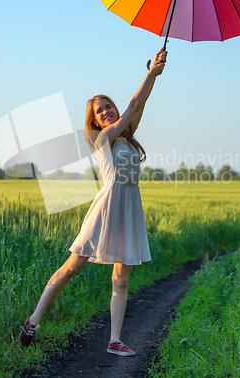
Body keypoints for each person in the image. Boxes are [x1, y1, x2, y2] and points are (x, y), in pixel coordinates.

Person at [19, 48, 167, 356]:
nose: (106, 111)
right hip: (106, 208)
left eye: (108, 106)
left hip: (129, 207)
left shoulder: (126, 137)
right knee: (72, 267)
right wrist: (150, 72)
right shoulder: (103, 140)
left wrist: (154, 77)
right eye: (100, 111)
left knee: (121, 278)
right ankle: (33, 320)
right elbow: (132, 106)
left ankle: (114, 340)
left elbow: (139, 106)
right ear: (95, 121)